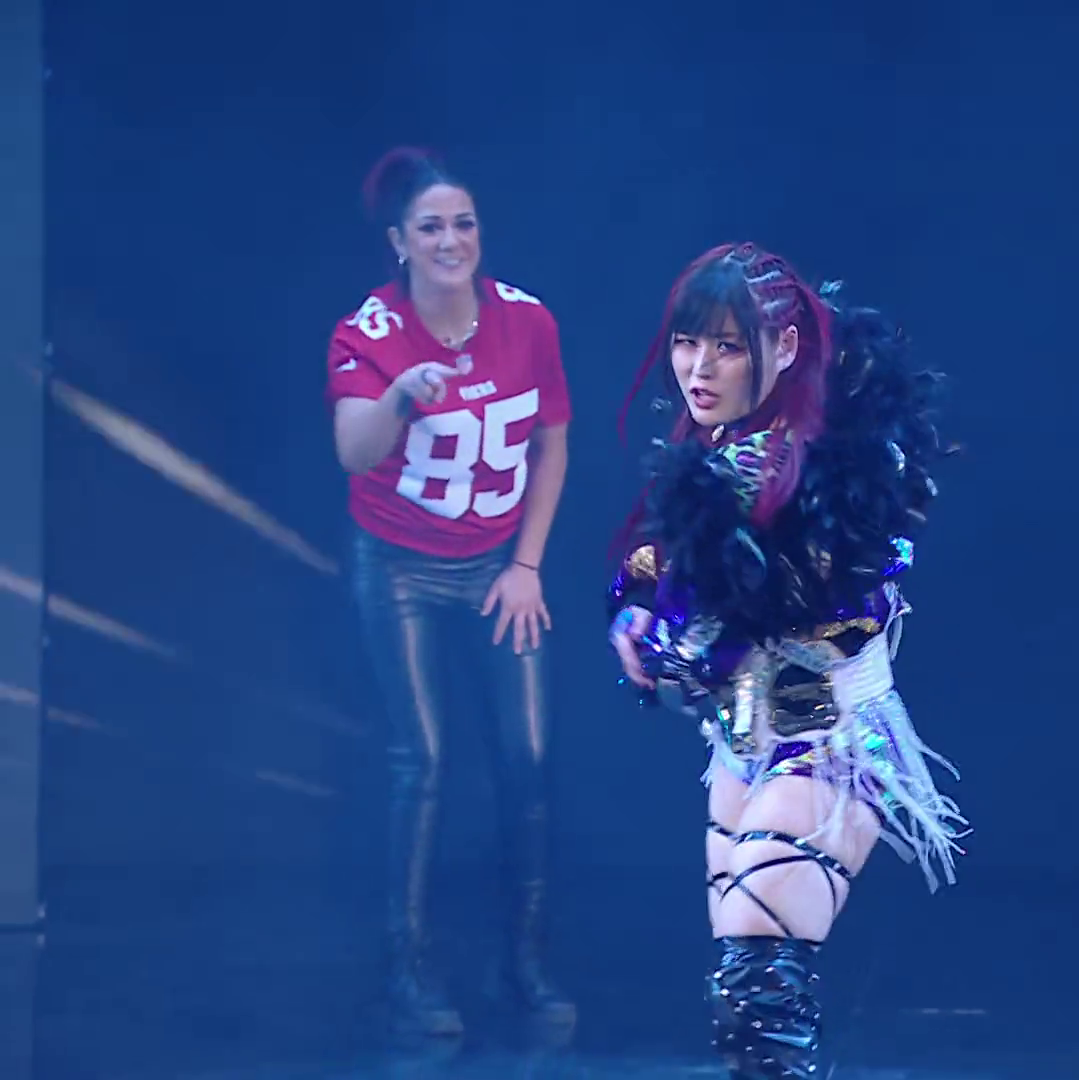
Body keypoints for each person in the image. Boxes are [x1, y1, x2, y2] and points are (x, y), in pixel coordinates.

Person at [606, 243, 966, 1078]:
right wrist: (639, 609)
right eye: (687, 343)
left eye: (728, 347)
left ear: (786, 347)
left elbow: (801, 589)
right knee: (749, 1006)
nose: (699, 368)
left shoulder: (821, 458)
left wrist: (678, 620)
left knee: (759, 978)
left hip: (831, 738)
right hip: (740, 743)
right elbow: (662, 564)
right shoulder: (721, 449)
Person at [326, 146, 576, 1036]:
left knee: (527, 757)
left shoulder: (526, 322)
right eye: (429, 227)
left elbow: (552, 442)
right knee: (422, 759)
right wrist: (400, 394)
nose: (450, 240)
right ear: (398, 241)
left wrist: (526, 565)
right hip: (398, 565)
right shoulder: (368, 333)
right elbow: (353, 451)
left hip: (493, 566)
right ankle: (409, 970)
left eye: (463, 223)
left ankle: (525, 963)